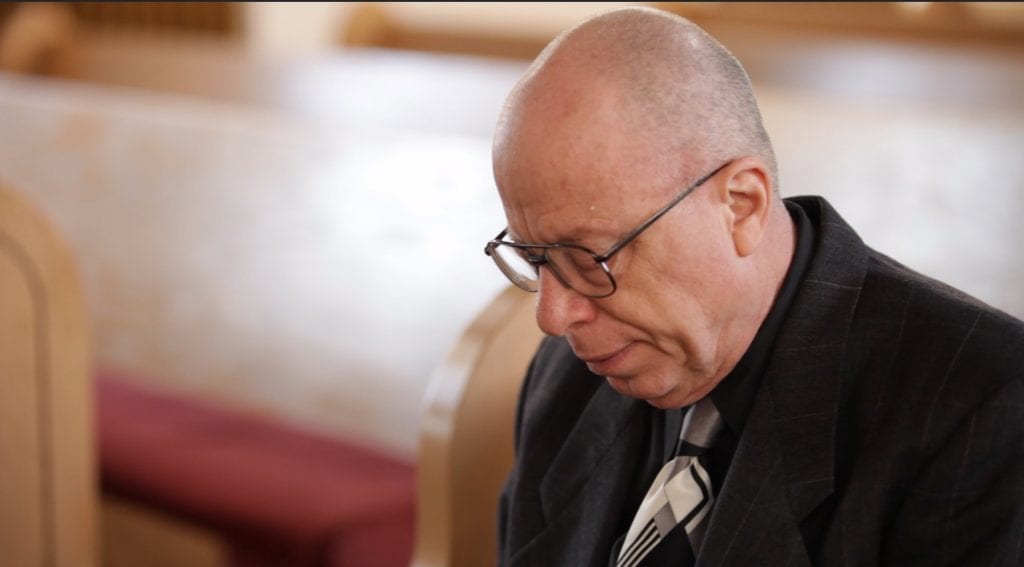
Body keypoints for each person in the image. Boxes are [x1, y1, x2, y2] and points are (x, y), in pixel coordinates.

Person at [484, 6, 1024, 567]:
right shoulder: (563, 378)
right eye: (534, 258)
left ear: (742, 204)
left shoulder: (985, 412)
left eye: (587, 257)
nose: (552, 316)